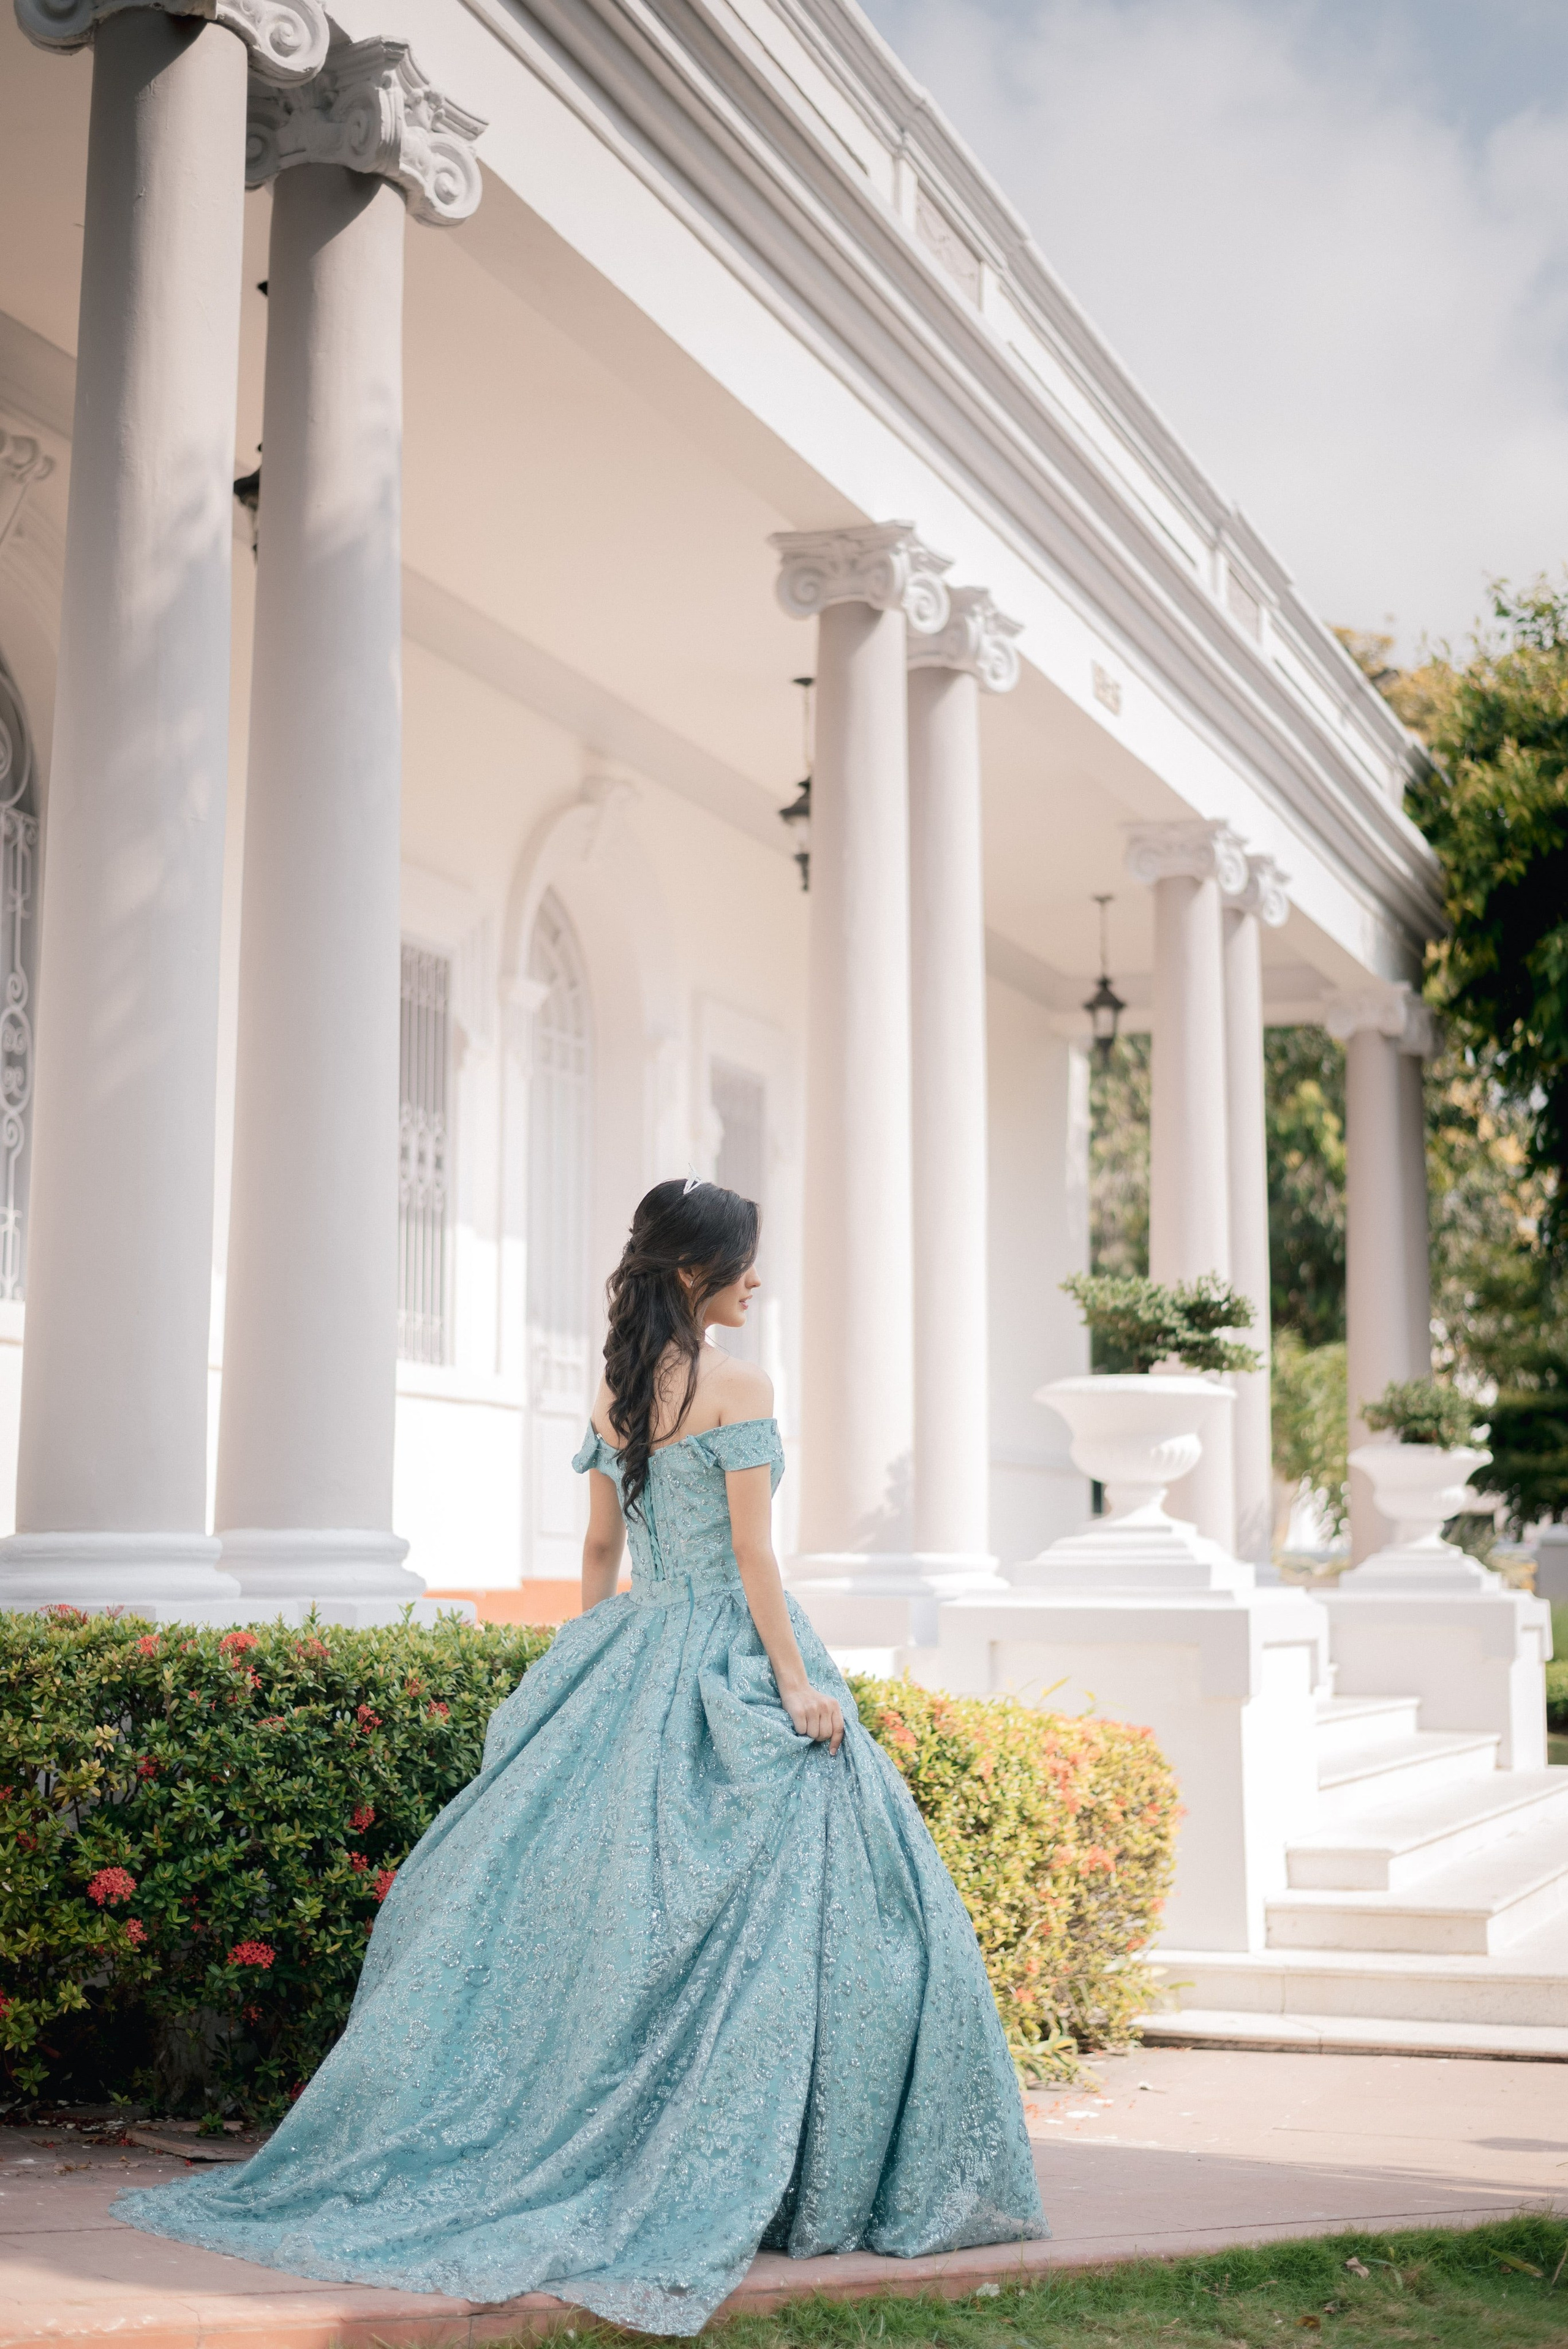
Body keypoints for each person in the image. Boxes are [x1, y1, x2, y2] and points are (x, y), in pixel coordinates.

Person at [114, 1179, 1046, 2334]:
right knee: (825, 1916)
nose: (760, 1280)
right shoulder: (740, 1384)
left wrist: (586, 1669)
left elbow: (601, 1549)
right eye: (748, 1262)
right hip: (733, 1652)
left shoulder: (616, 1392)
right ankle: (776, 2167)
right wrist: (797, 1689)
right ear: (700, 1271)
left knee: (609, 1915)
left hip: (637, 1642)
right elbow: (756, 1559)